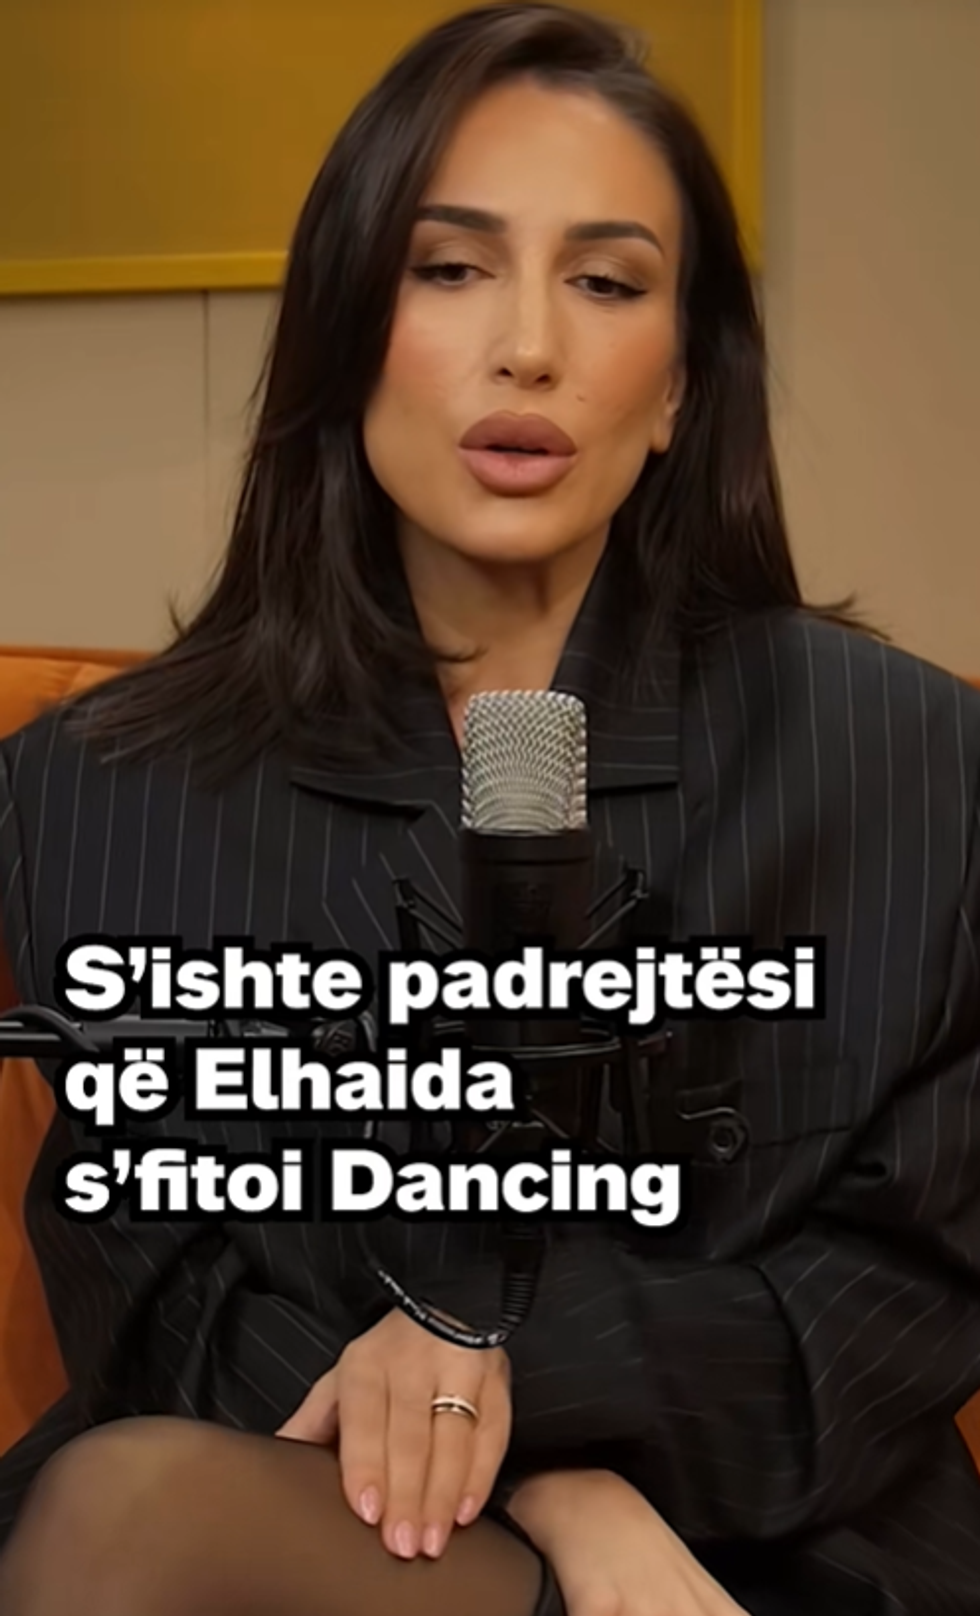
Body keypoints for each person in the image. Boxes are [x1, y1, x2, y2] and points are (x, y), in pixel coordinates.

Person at [0, 3, 978, 1611]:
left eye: (607, 283)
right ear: (344, 334)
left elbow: (907, 1289)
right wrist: (537, 1482)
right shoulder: (104, 787)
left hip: (767, 1552)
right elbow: (162, 1293)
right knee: (129, 1516)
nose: (529, 346)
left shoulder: (912, 767)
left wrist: (530, 1378)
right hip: (286, 1509)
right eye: (451, 269)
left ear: (680, 384)